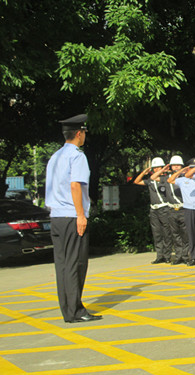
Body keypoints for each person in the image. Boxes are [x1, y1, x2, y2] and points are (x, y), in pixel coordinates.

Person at [45, 113, 102, 323]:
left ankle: (68, 310)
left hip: (57, 217)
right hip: (71, 215)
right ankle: (76, 311)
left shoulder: (55, 156)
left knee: (62, 264)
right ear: (79, 133)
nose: (85, 135)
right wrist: (80, 215)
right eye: (84, 132)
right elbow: (75, 185)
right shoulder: (77, 156)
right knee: (75, 264)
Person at [151, 155, 190, 265]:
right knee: (175, 235)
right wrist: (163, 169)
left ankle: (185, 255)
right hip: (172, 209)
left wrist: (181, 172)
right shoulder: (166, 178)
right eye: (174, 165)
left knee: (185, 234)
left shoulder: (186, 176)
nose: (176, 167)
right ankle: (178, 256)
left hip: (183, 208)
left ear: (182, 166)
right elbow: (153, 177)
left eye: (178, 165)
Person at [134, 157, 173, 264]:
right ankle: (159, 256)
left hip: (164, 208)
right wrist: (144, 172)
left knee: (166, 233)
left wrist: (164, 170)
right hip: (154, 209)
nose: (156, 170)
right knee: (157, 234)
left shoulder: (165, 179)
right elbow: (136, 181)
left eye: (158, 167)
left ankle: (167, 255)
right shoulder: (150, 180)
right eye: (155, 168)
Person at [168, 158, 195, 266]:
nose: (194, 170)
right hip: (188, 210)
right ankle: (194, 257)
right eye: (192, 168)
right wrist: (182, 170)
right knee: (191, 234)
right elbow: (170, 180)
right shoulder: (183, 180)